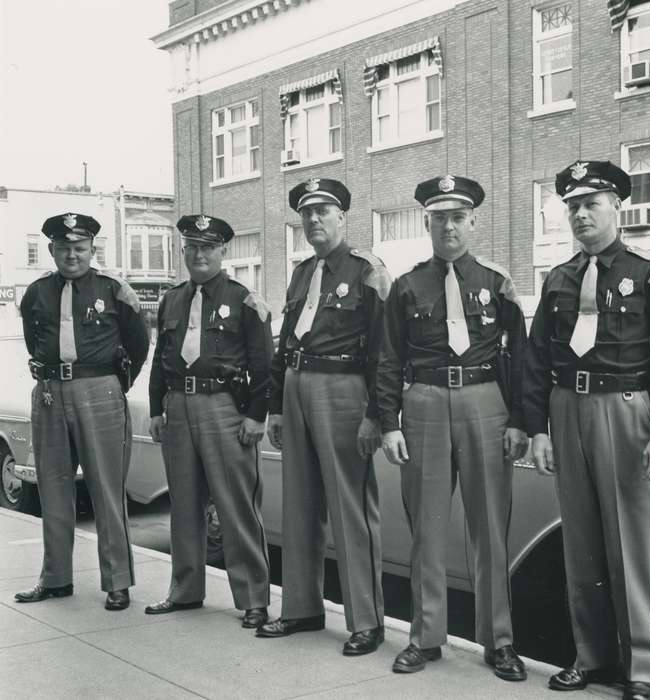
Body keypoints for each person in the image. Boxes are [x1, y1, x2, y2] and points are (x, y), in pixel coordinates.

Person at [524, 160, 650, 700]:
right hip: (567, 408)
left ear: (617, 206)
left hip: (625, 411)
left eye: (590, 203)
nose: (579, 214)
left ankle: (641, 669)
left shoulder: (649, 273)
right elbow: (537, 359)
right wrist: (538, 428)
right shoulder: (558, 279)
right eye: (571, 205)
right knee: (582, 542)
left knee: (634, 544)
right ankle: (592, 657)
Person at [377, 175, 528, 678]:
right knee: (428, 525)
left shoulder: (496, 282)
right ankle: (425, 636)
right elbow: (388, 359)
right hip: (423, 402)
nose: (448, 227)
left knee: (490, 525)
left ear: (473, 221)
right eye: (439, 217)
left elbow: (523, 358)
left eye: (457, 217)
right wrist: (388, 423)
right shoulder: (406, 285)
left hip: (485, 401)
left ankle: (498, 640)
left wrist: (521, 421)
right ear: (427, 222)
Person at [256, 178, 391, 657]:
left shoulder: (367, 271)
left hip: (343, 389)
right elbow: (286, 340)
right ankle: (301, 608)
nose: (313, 220)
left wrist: (377, 414)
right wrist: (274, 403)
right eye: (307, 213)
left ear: (342, 217)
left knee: (350, 506)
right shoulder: (300, 274)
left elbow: (385, 349)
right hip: (296, 385)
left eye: (323, 212)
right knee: (300, 501)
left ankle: (366, 622)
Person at [15, 212, 149, 611]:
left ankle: (118, 583)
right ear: (53, 250)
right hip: (50, 394)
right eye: (64, 248)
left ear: (93, 249)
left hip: (99, 391)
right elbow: (32, 340)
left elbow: (138, 344)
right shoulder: (36, 292)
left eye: (80, 248)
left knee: (106, 489)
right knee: (53, 489)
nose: (71, 255)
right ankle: (55, 578)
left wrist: (112, 385)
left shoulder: (115, 290)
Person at [145, 214, 272, 629]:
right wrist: (156, 409)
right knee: (184, 505)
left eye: (208, 247)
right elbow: (161, 361)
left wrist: (256, 416)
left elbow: (263, 365)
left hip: (223, 407)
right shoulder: (171, 300)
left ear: (223, 252)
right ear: (183, 252)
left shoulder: (244, 300)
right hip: (179, 405)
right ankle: (184, 591)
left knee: (236, 505)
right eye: (192, 247)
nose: (199, 255)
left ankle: (253, 598)